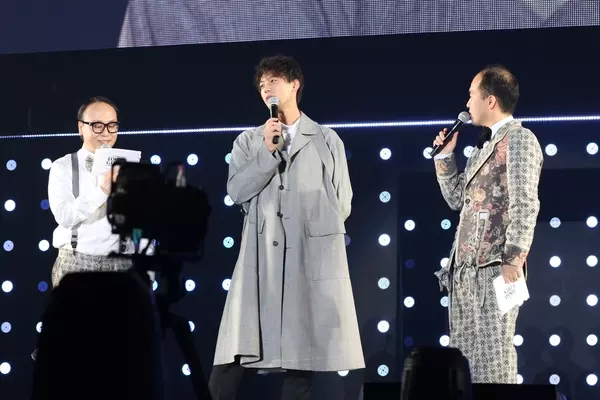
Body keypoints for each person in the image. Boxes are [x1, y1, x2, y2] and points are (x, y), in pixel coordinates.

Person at [209, 55, 364, 399]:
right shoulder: (248, 141)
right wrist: (267, 151)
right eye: (262, 84)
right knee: (235, 353)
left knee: (301, 360)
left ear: (294, 85)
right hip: (260, 259)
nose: (266, 88)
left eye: (274, 81)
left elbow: (342, 201)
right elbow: (237, 191)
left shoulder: (326, 139)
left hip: (308, 258)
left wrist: (311, 230)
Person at [432, 65, 543, 383]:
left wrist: (514, 258)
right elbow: (458, 200)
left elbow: (525, 203)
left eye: (472, 95)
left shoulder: (520, 140)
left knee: (494, 360)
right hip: (465, 271)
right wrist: (444, 157)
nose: (467, 103)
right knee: (463, 362)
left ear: (490, 100)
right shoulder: (482, 148)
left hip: (496, 267)